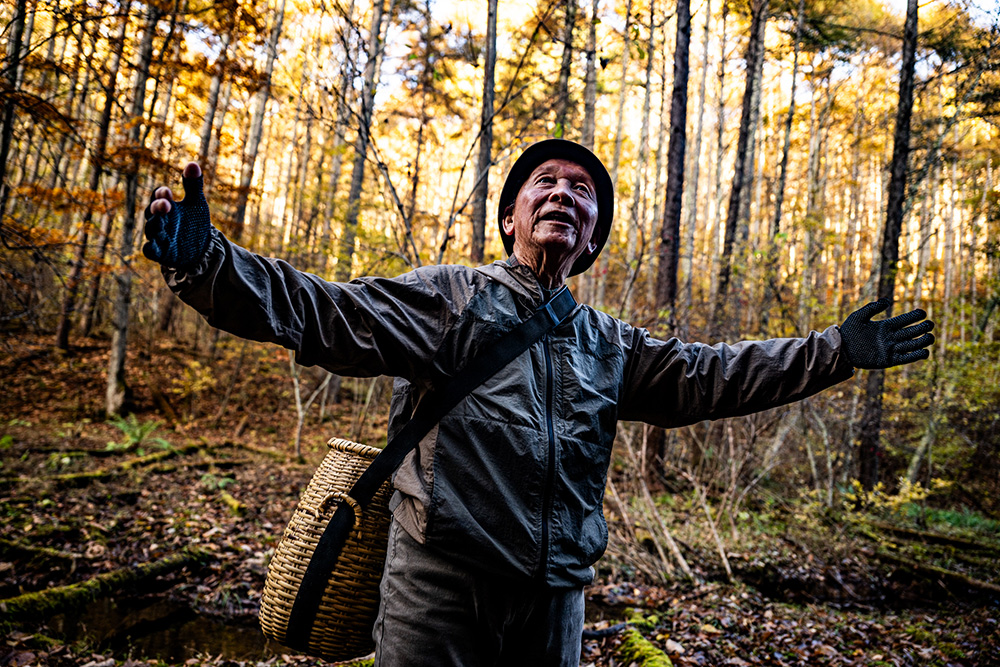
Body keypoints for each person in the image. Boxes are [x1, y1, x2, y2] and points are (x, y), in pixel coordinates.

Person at [143, 139, 934, 667]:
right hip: (439, 589)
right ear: (511, 216)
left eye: (581, 190)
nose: (563, 193)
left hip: (555, 603)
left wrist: (835, 350)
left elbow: (714, 374)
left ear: (591, 239)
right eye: (545, 183)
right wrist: (207, 262)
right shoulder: (452, 297)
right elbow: (322, 311)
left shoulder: (612, 345)